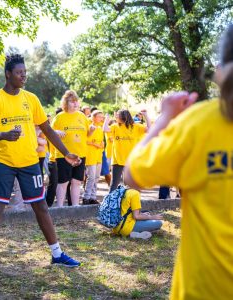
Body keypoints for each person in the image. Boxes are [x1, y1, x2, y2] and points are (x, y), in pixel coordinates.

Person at [124, 25, 233, 300]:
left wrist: (165, 117)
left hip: (204, 289)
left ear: (219, 72)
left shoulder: (198, 123)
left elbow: (133, 176)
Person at [0, 54, 81, 280]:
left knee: (41, 207)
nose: (24, 75)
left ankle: (57, 254)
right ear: (8, 74)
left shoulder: (31, 99)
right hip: (3, 162)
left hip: (30, 162)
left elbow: (48, 129)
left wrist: (65, 152)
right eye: (19, 72)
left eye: (25, 72)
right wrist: (3, 135)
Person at [51, 90, 92, 207]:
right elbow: (49, 132)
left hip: (80, 154)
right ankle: (59, 207)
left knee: (77, 181)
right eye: (72, 101)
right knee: (63, 182)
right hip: (64, 155)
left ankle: (75, 207)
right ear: (65, 103)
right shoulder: (59, 117)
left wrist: (92, 131)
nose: (75, 104)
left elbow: (87, 134)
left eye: (76, 101)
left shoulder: (82, 116)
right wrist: (56, 131)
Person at [103, 109, 150, 192]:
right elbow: (105, 129)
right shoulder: (115, 126)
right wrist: (107, 118)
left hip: (131, 161)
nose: (116, 116)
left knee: (129, 185)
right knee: (114, 183)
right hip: (117, 160)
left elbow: (149, 129)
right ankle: (111, 204)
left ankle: (128, 202)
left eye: (118, 115)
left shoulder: (136, 126)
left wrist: (146, 116)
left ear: (123, 116)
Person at [82, 110, 104, 205]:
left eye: (102, 117)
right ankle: (86, 197)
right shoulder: (89, 126)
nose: (101, 118)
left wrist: (102, 144)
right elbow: (85, 140)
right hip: (90, 155)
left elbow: (101, 141)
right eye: (99, 117)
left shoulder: (100, 127)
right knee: (91, 177)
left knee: (97, 177)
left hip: (98, 155)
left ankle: (93, 197)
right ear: (94, 117)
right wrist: (95, 144)